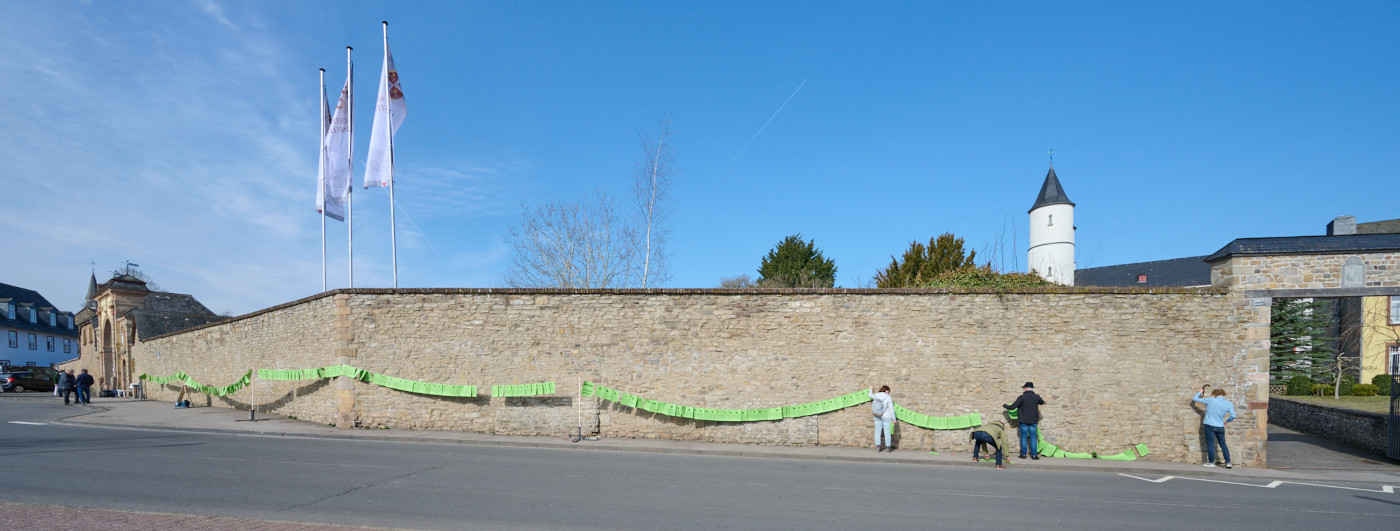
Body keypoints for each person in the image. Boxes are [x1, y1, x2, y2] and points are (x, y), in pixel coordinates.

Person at [1192, 387, 1237, 468]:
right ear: (1223, 394)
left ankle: (1211, 462)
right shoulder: (1228, 403)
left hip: (1209, 425)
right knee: (1223, 444)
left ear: (1214, 394)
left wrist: (1200, 392)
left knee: (1210, 444)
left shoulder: (1210, 400)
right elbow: (1233, 416)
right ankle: (1228, 462)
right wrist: (1227, 421)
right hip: (1220, 426)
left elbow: (1195, 399)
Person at [1004, 382, 1045, 460]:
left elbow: (1012, 407)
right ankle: (1034, 455)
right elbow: (1042, 402)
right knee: (1033, 438)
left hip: (1023, 421)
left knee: (1023, 437)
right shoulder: (1036, 397)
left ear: (1025, 388)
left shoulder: (1021, 397)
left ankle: (1023, 455)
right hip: (1033, 421)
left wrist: (1005, 405)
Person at [869, 385, 895, 452]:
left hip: (877, 416)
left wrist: (871, 389)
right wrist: (893, 418)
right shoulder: (888, 397)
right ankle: (888, 448)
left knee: (877, 432)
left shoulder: (876, 395)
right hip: (887, 417)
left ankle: (878, 447)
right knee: (887, 433)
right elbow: (891, 409)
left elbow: (870, 395)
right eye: (888, 391)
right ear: (886, 390)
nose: (888, 392)